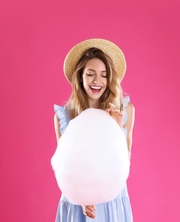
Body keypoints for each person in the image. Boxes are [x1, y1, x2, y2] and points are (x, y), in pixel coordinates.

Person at [53, 38, 135, 221]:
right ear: (80, 76)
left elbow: (125, 162)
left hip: (112, 199)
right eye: (90, 74)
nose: (97, 81)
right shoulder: (64, 116)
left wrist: (116, 127)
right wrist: (80, 197)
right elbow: (64, 165)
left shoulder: (124, 111)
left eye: (104, 75)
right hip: (77, 202)